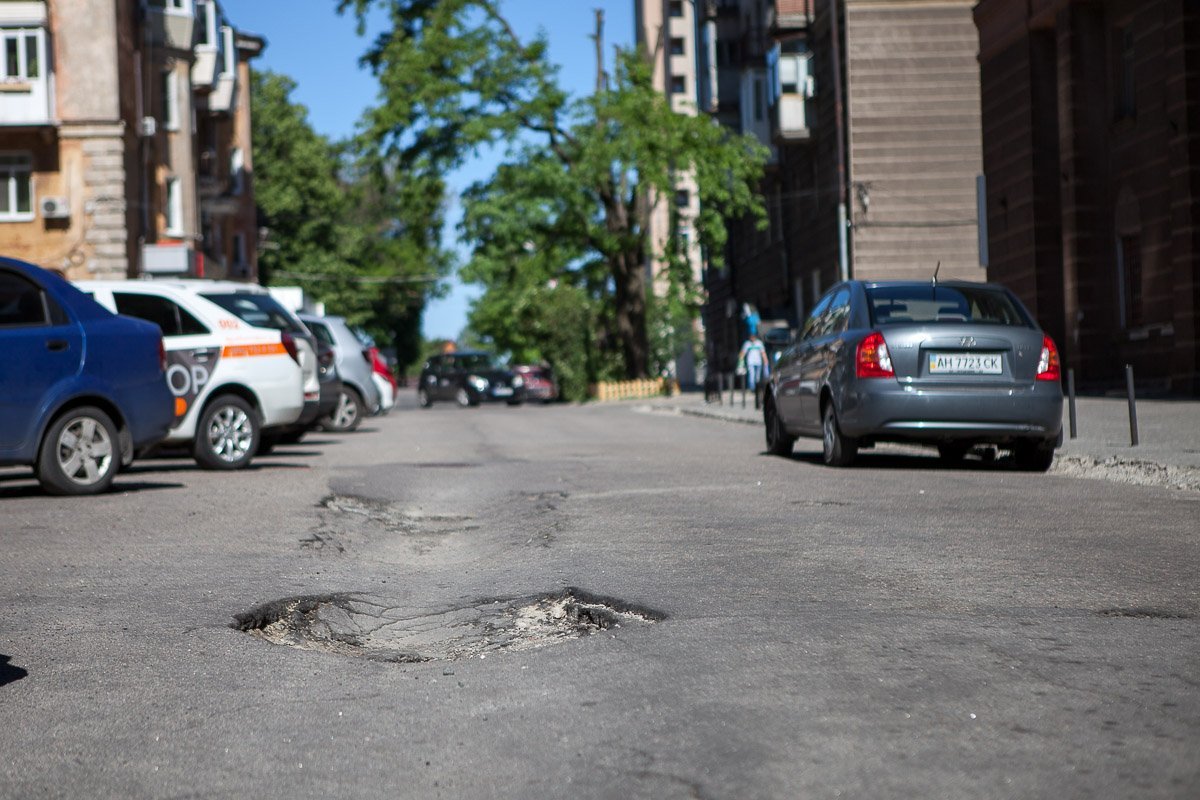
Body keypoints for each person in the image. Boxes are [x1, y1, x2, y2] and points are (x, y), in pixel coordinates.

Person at [738, 332, 770, 408]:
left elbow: (763, 353)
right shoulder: (747, 344)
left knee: (757, 377)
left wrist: (766, 361)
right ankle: (753, 389)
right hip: (750, 362)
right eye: (751, 337)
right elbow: (742, 353)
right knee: (752, 375)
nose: (752, 338)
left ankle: (757, 389)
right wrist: (740, 362)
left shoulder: (759, 343)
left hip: (758, 362)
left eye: (753, 337)